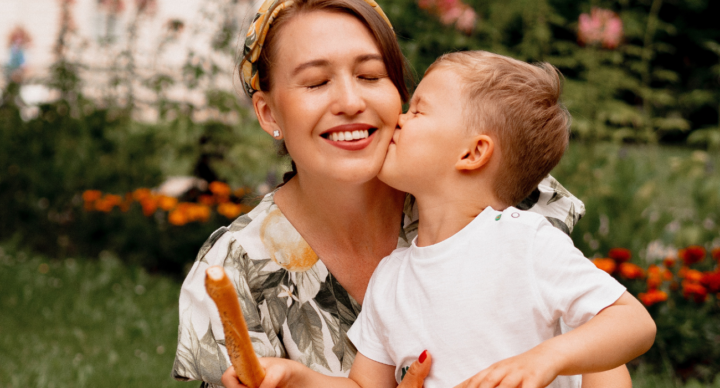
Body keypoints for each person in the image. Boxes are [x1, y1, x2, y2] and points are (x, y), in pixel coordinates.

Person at [172, 1, 632, 387]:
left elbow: (603, 338)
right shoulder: (241, 269)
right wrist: (300, 378)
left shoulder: (503, 204)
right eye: (316, 82)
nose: (351, 101)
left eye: (371, 76)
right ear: (269, 112)